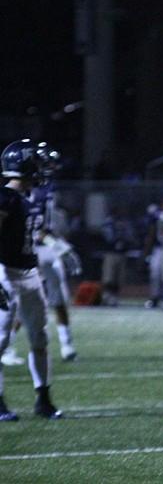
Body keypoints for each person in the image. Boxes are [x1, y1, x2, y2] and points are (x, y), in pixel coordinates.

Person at [0, 139, 63, 420]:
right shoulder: (5, 197)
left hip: (29, 272)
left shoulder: (23, 198)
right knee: (0, 339)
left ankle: (43, 399)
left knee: (40, 337)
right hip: (5, 271)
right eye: (38, 164)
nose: (42, 170)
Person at [32, 142, 80, 361]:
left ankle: (67, 345)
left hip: (48, 246)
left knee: (58, 297)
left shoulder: (47, 186)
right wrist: (56, 245)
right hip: (29, 249)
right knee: (25, 299)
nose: (51, 166)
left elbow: (46, 224)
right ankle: (8, 344)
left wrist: (59, 244)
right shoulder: (25, 189)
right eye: (47, 162)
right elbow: (31, 225)